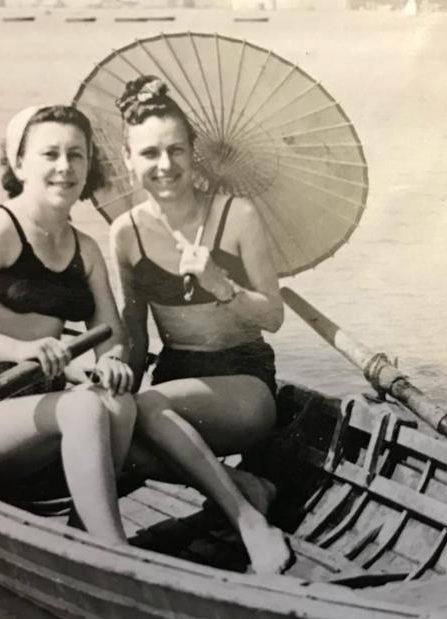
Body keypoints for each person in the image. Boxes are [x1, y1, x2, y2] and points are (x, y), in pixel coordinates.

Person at [0, 104, 136, 546]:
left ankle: (86, 533)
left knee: (121, 404)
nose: (65, 167)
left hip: (35, 406)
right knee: (84, 407)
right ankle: (113, 549)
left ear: (89, 166)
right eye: (50, 154)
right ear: (19, 165)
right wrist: (20, 350)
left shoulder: (86, 249)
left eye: (76, 155)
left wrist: (111, 360)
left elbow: (111, 333)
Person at [109, 76, 294, 574]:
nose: (165, 165)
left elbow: (274, 317)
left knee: (148, 407)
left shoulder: (237, 215)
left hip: (245, 385)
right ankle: (244, 486)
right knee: (108, 431)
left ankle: (248, 521)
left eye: (176, 150)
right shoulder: (125, 235)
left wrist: (222, 286)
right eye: (149, 153)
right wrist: (114, 391)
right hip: (171, 388)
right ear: (127, 159)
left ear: (194, 152)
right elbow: (134, 337)